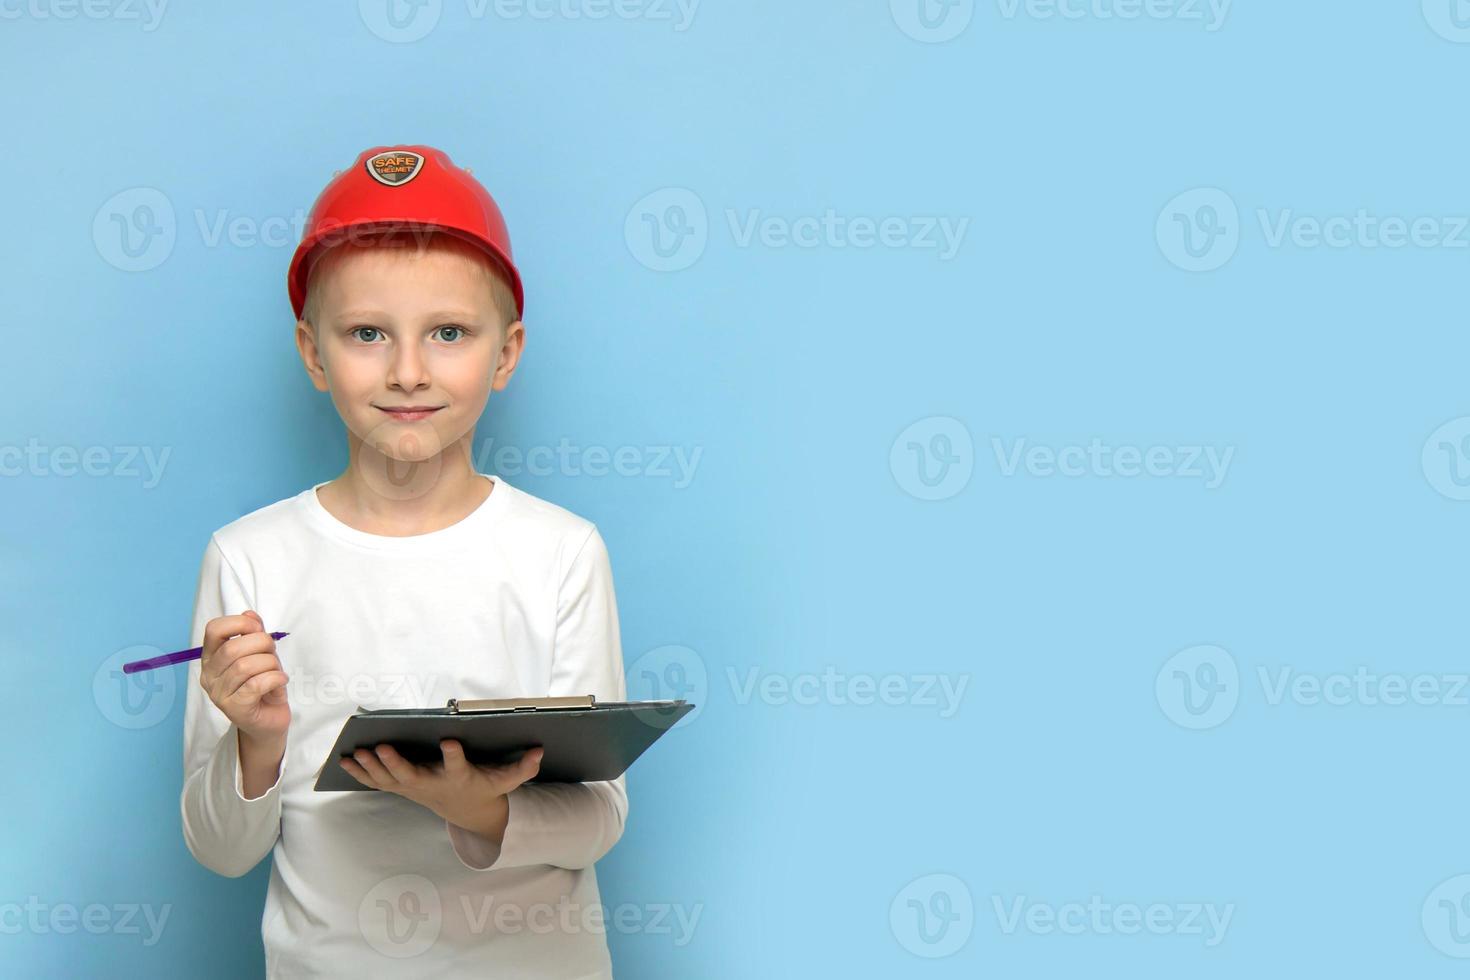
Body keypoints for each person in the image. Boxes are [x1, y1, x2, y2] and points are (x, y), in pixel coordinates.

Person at [179, 145, 628, 977]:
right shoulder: (248, 558)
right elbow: (220, 851)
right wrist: (255, 744)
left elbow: (598, 817)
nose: (409, 371)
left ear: (506, 351)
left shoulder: (562, 552)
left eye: (449, 332)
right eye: (366, 333)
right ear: (314, 354)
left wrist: (480, 810)